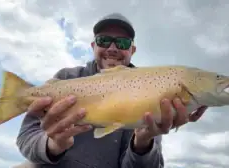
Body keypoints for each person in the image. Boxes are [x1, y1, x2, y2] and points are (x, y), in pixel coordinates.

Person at [16, 13, 207, 168]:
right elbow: (25, 139)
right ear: (93, 46)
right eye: (104, 40)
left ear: (132, 50)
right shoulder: (66, 78)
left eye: (122, 43)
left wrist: (142, 143)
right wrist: (52, 146)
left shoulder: (151, 90)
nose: (113, 48)